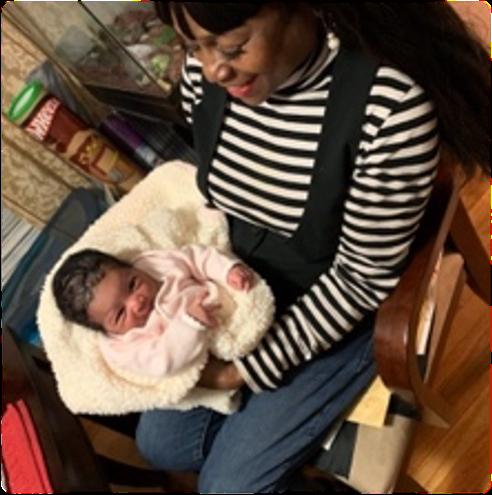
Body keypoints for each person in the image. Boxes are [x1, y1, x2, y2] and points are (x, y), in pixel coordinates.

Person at [133, 3, 489, 492]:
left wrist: (241, 372)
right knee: (161, 444)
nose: (214, 69)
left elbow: (361, 280)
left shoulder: (385, 109)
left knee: (228, 488)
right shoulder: (206, 78)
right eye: (194, 46)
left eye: (233, 47)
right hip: (245, 293)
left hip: (340, 309)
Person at [52, 246, 254, 378]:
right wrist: (189, 324)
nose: (136, 302)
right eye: (120, 314)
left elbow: (195, 257)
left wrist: (227, 270)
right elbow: (160, 362)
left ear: (132, 268)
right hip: (211, 356)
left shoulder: (154, 265)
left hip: (231, 307)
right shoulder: (121, 347)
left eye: (133, 284)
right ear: (105, 329)